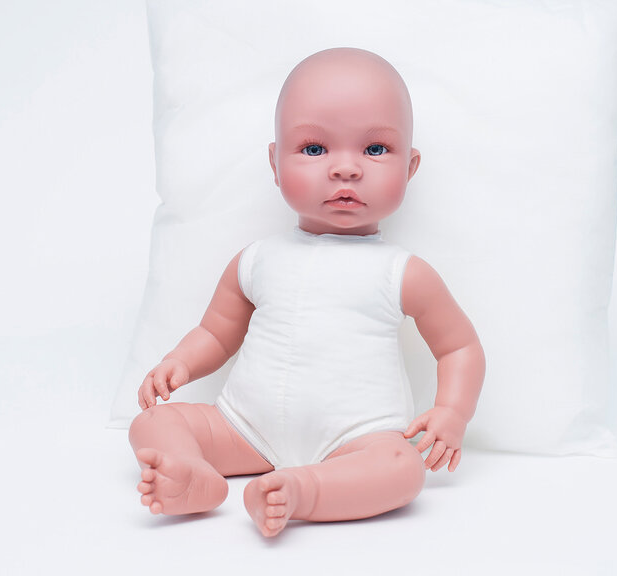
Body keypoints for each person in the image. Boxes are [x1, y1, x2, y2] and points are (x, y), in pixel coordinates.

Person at [128, 47, 485, 538]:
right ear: (275, 163)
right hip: (242, 426)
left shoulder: (402, 273)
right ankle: (191, 474)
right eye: (315, 149)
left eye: (375, 149)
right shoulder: (255, 260)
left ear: (410, 166)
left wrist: (452, 412)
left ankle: (302, 491)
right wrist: (181, 363)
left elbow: (459, 347)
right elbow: (215, 333)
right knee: (152, 424)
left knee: (402, 467)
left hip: (355, 438)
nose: (346, 169)